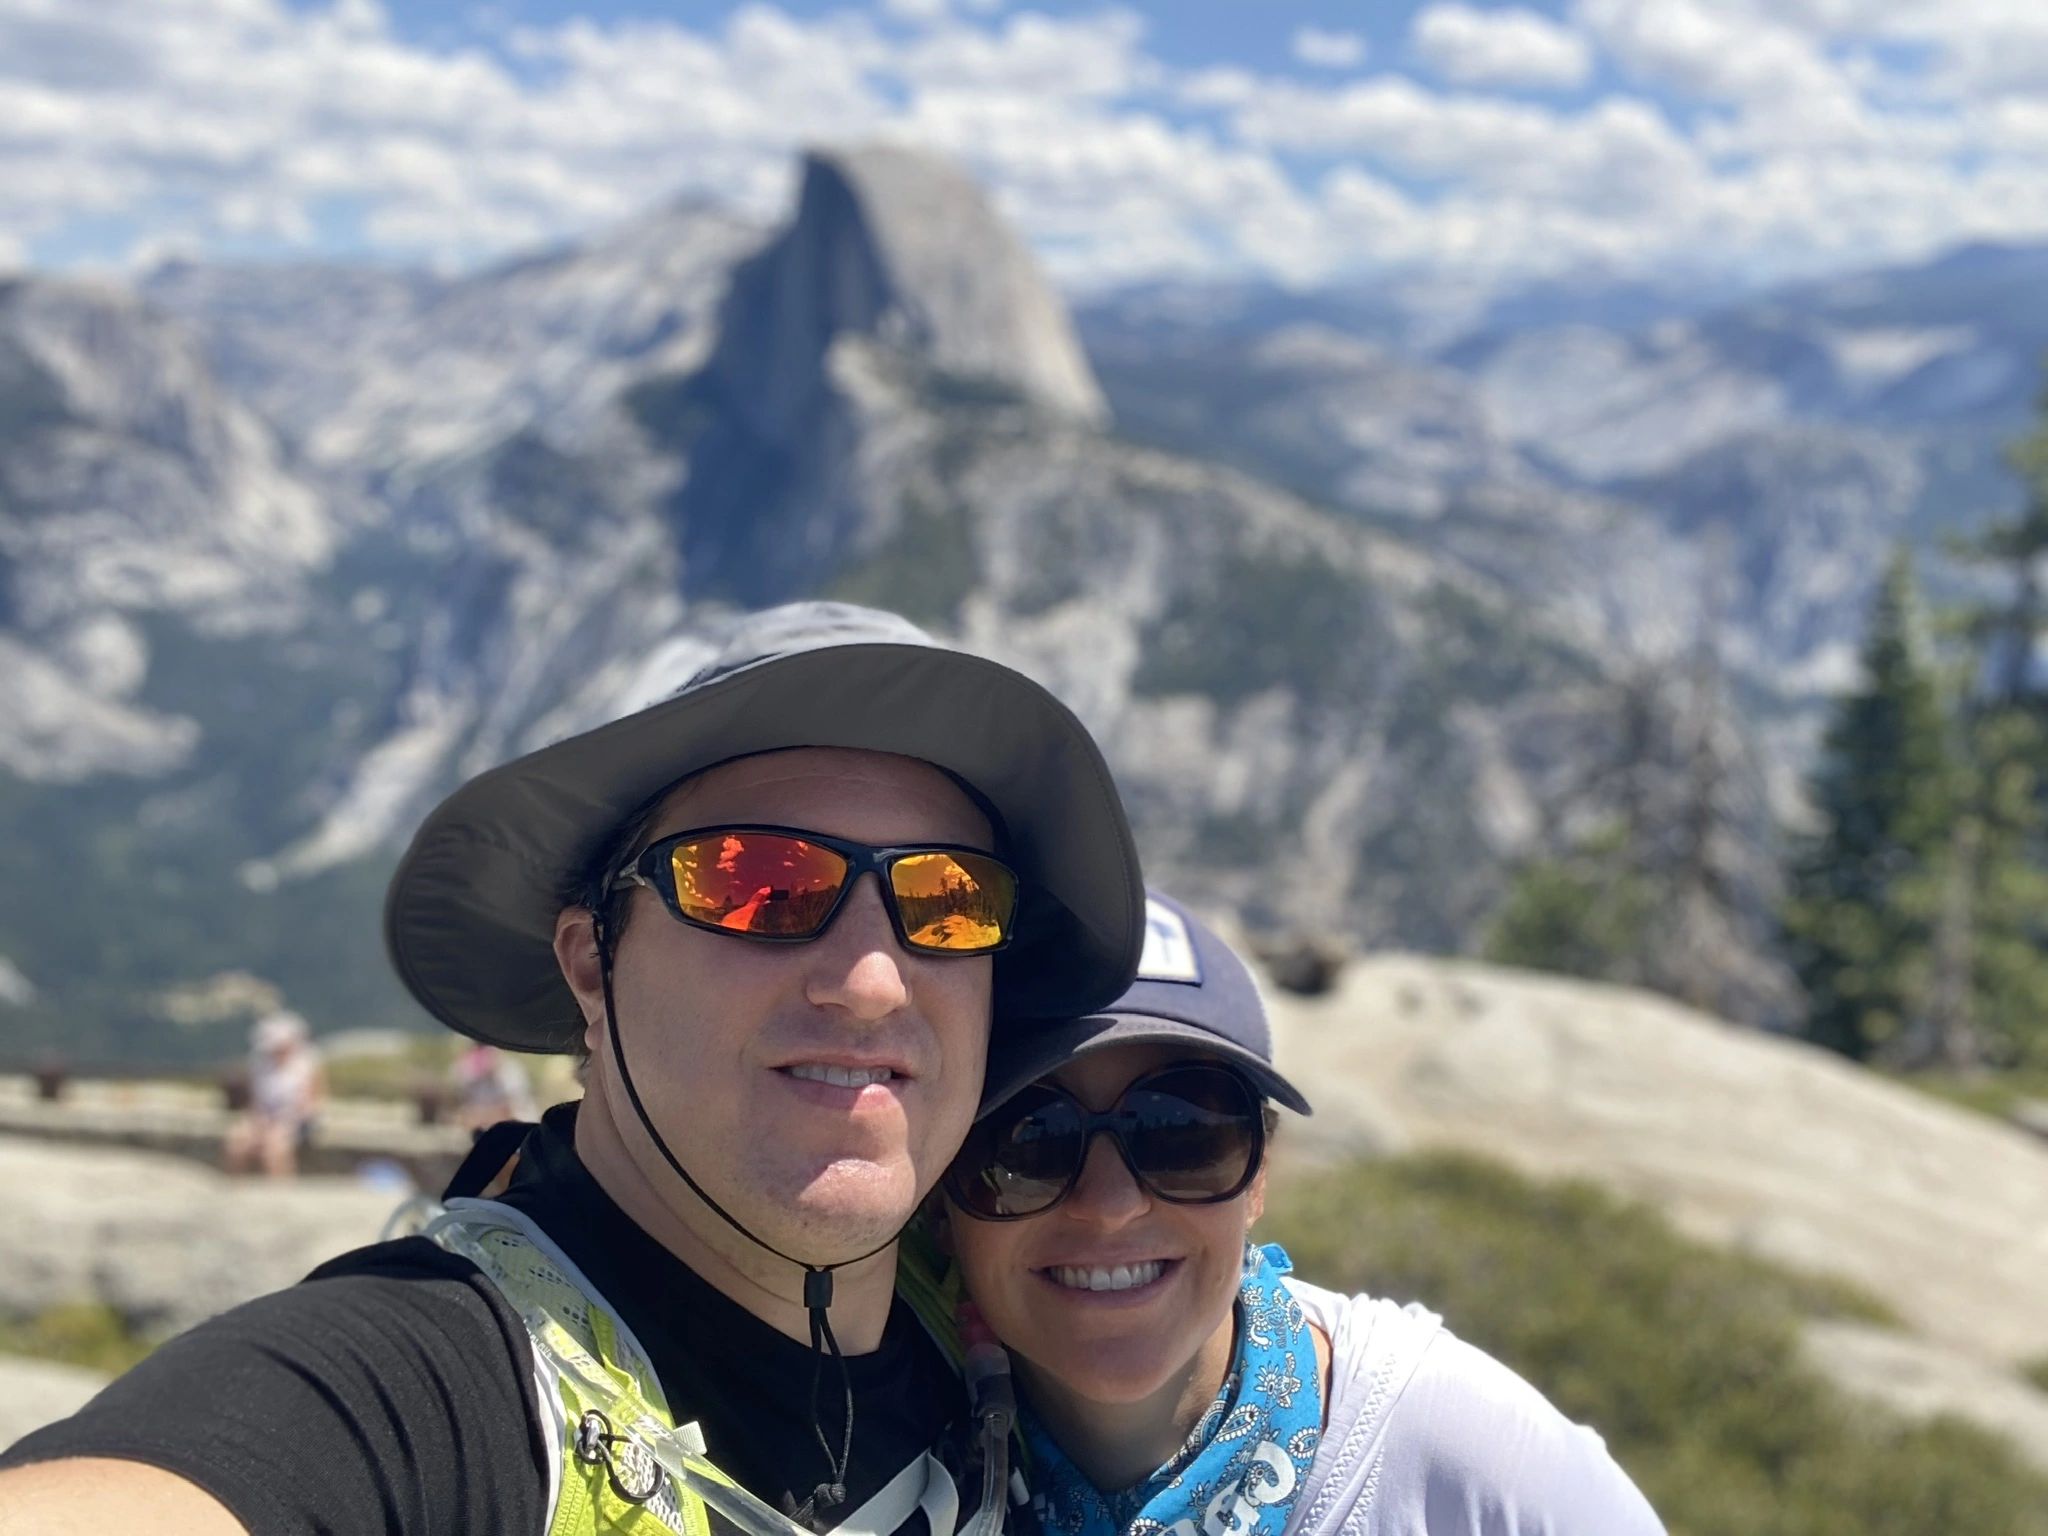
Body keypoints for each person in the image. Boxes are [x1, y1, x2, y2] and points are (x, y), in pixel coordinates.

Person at [0, 602, 1147, 1536]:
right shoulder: (429, 1382)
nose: (871, 979)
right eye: (757, 881)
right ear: (593, 964)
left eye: (947, 906)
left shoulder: (993, 1322)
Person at [929, 892, 1666, 1536]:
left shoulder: (1480, 1474)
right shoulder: (882, 1464)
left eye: (1181, 1133)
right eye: (1027, 1142)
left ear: (1260, 1174)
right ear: (937, 1194)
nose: (1112, 1206)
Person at [221, 1010, 326, 1179]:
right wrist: (259, 1121)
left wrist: (282, 1122)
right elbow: (253, 1100)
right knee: (236, 1140)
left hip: (295, 1120)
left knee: (275, 1146)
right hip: (264, 1118)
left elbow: (310, 1104)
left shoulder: (307, 1064)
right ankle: (236, 1187)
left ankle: (278, 1192)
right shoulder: (259, 1063)